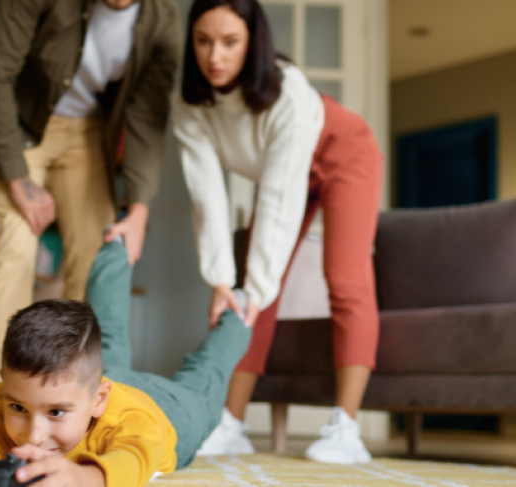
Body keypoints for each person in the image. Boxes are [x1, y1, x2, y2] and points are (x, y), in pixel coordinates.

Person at [172, 0, 383, 464]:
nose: (215, 58)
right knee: (249, 291)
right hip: (283, 174)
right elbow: (207, 194)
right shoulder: (189, 102)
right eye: (203, 41)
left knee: (344, 277)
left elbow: (279, 201)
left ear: (254, 42)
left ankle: (346, 427)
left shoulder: (286, 92)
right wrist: (222, 283)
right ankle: (232, 422)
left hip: (341, 152)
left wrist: (254, 285)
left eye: (231, 42)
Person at [0, 239, 252, 487]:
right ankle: (114, 247)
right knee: (102, 339)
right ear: (4, 382)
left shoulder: (135, 426)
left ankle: (241, 314)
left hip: (170, 409)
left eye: (56, 414)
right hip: (98, 380)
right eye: (17, 406)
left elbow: (134, 458)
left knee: (205, 380)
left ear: (99, 400)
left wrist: (84, 478)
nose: (32, 434)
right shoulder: (7, 397)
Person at [0, 0, 181, 385]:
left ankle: (68, 397)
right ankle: (3, 396)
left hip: (86, 134)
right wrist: (18, 179)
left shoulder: (162, 21)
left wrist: (138, 209)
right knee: (15, 250)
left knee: (95, 261)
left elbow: (147, 119)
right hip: (18, 128)